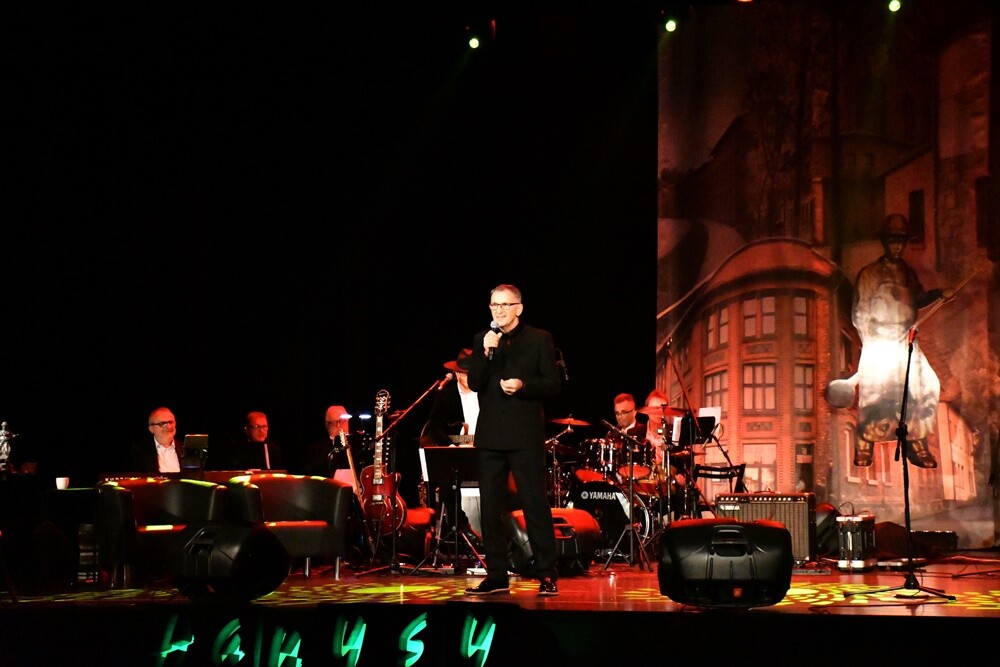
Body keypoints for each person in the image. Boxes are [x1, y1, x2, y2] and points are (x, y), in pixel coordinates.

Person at [464, 284, 562, 597]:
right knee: (490, 508)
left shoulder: (538, 338)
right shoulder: (482, 339)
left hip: (524, 435)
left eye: (505, 305)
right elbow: (475, 383)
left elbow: (553, 384)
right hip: (491, 435)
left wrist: (523, 385)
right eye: (494, 305)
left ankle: (546, 573)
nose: (499, 311)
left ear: (519, 308)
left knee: (534, 504)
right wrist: (485, 352)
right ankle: (496, 574)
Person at [852, 214, 953, 468]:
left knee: (924, 388)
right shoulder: (869, 274)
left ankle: (916, 440)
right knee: (876, 394)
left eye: (900, 241)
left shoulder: (908, 274)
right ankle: (865, 442)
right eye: (892, 240)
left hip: (906, 340)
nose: (896, 246)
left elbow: (918, 299)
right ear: (884, 242)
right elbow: (860, 313)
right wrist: (870, 344)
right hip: (879, 342)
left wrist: (939, 294)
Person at [210, 411, 285, 471]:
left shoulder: (273, 449)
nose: (261, 430)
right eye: (257, 426)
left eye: (264, 426)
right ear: (247, 430)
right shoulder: (237, 448)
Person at [129, 406, 185, 474]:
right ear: (151, 429)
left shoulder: (187, 448)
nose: (168, 426)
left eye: (171, 422)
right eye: (162, 423)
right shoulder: (139, 451)